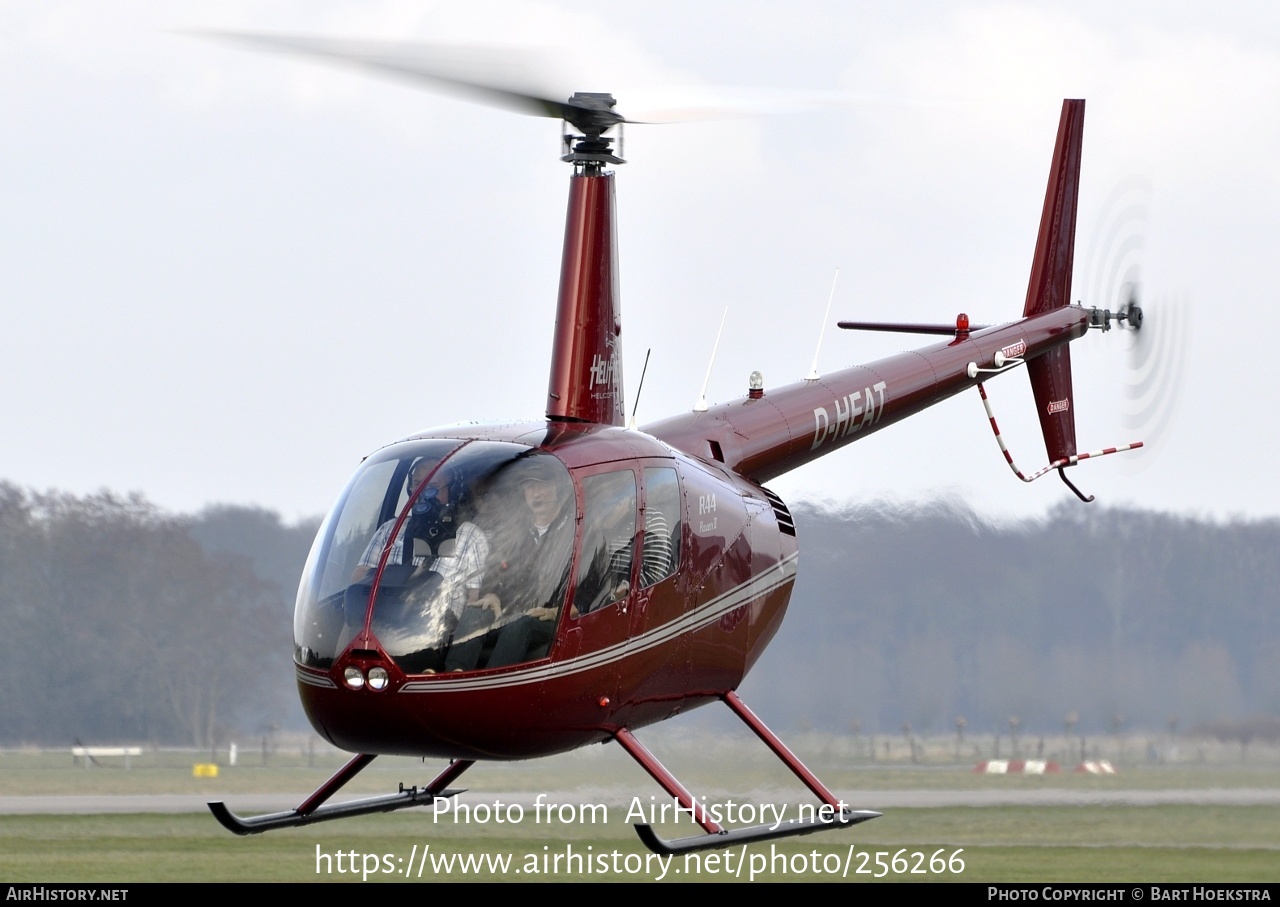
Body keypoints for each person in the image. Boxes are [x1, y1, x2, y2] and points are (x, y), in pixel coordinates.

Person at [448, 454, 575, 670]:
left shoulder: (574, 532)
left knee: (519, 626)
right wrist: (493, 594)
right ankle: (453, 678)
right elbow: (501, 574)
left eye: (542, 485)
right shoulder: (517, 532)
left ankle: (490, 692)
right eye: (529, 487)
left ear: (558, 488)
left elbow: (586, 593)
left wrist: (556, 611)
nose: (536, 494)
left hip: (551, 618)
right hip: (513, 611)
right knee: (474, 612)